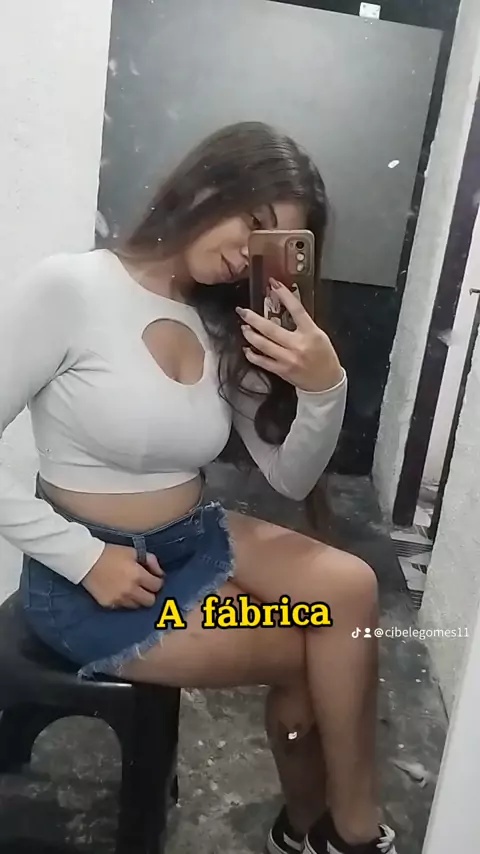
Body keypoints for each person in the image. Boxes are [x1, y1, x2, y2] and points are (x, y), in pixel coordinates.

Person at [0, 122, 398, 854]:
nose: (249, 253)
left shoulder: (222, 322)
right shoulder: (70, 288)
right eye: (252, 221)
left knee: (350, 588)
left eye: (274, 242)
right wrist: (85, 558)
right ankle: (326, 833)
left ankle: (347, 828)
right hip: (91, 579)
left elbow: (290, 475)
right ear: (209, 182)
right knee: (315, 654)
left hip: (192, 538)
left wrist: (325, 386)